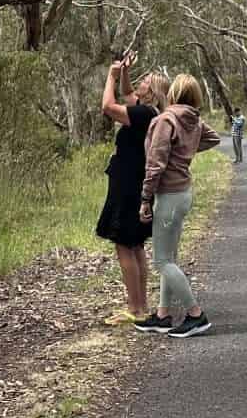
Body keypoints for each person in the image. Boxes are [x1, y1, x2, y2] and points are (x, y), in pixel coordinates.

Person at [136, 74, 221, 338]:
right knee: (169, 258)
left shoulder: (166, 120)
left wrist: (145, 198)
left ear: (173, 92)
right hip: (183, 192)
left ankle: (196, 315)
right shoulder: (193, 119)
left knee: (162, 261)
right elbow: (213, 138)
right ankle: (163, 315)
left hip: (169, 196)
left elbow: (155, 164)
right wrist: (185, 151)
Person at [95, 55, 169, 324]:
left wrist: (111, 76)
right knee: (135, 245)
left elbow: (108, 106)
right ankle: (141, 305)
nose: (140, 82)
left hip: (126, 185)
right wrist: (124, 72)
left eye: (145, 81)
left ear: (152, 91)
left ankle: (135, 309)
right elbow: (127, 93)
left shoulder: (142, 114)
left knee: (124, 245)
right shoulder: (150, 112)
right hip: (134, 182)